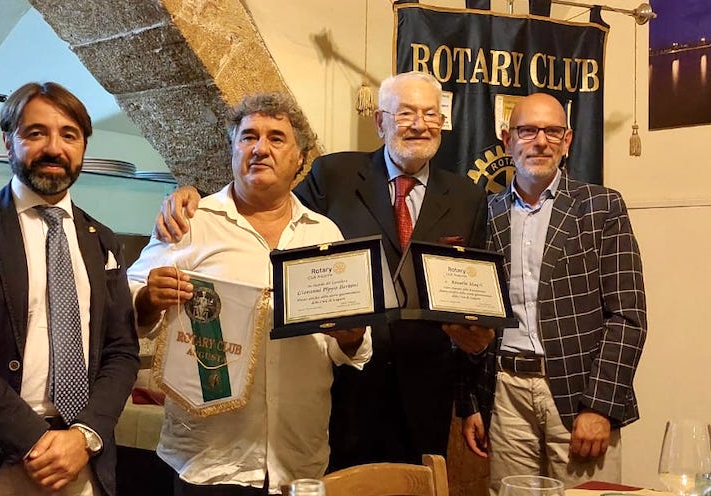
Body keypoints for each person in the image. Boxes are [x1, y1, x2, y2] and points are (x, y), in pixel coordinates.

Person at [155, 72, 495, 470]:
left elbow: (470, 301)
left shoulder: (469, 197)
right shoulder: (335, 175)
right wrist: (192, 196)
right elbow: (264, 205)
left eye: (430, 114)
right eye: (405, 113)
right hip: (345, 396)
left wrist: (471, 386)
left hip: (424, 395)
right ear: (380, 122)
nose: (419, 124)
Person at [126, 92, 372, 495]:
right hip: (209, 462)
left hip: (298, 460)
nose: (260, 148)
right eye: (249, 137)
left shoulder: (324, 234)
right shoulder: (191, 222)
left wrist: (351, 336)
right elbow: (129, 297)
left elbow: (352, 347)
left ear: (299, 159)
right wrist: (149, 298)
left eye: (276, 138)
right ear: (233, 150)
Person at [0, 82, 140, 496]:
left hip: (80, 461)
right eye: (36, 133)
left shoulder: (102, 240)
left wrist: (84, 435)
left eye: (69, 135)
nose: (54, 148)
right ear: (8, 142)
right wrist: (33, 439)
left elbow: (122, 352)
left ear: (83, 147)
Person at [457, 93, 647, 493]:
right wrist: (471, 402)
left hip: (578, 395)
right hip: (505, 394)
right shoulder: (483, 213)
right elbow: (467, 313)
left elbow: (627, 317)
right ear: (507, 139)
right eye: (528, 131)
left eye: (552, 131)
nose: (541, 141)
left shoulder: (602, 207)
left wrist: (600, 406)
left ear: (568, 140)